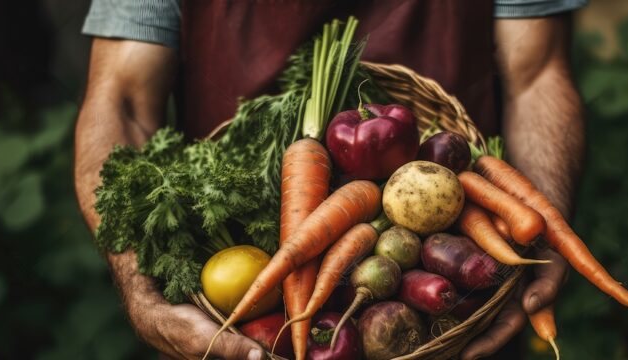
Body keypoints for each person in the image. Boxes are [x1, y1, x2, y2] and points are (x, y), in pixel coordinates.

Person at [74, 0, 587, 359]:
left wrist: (543, 230)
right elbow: (120, 99)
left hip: (467, 314)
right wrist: (144, 294)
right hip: (230, 336)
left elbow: (537, 74)